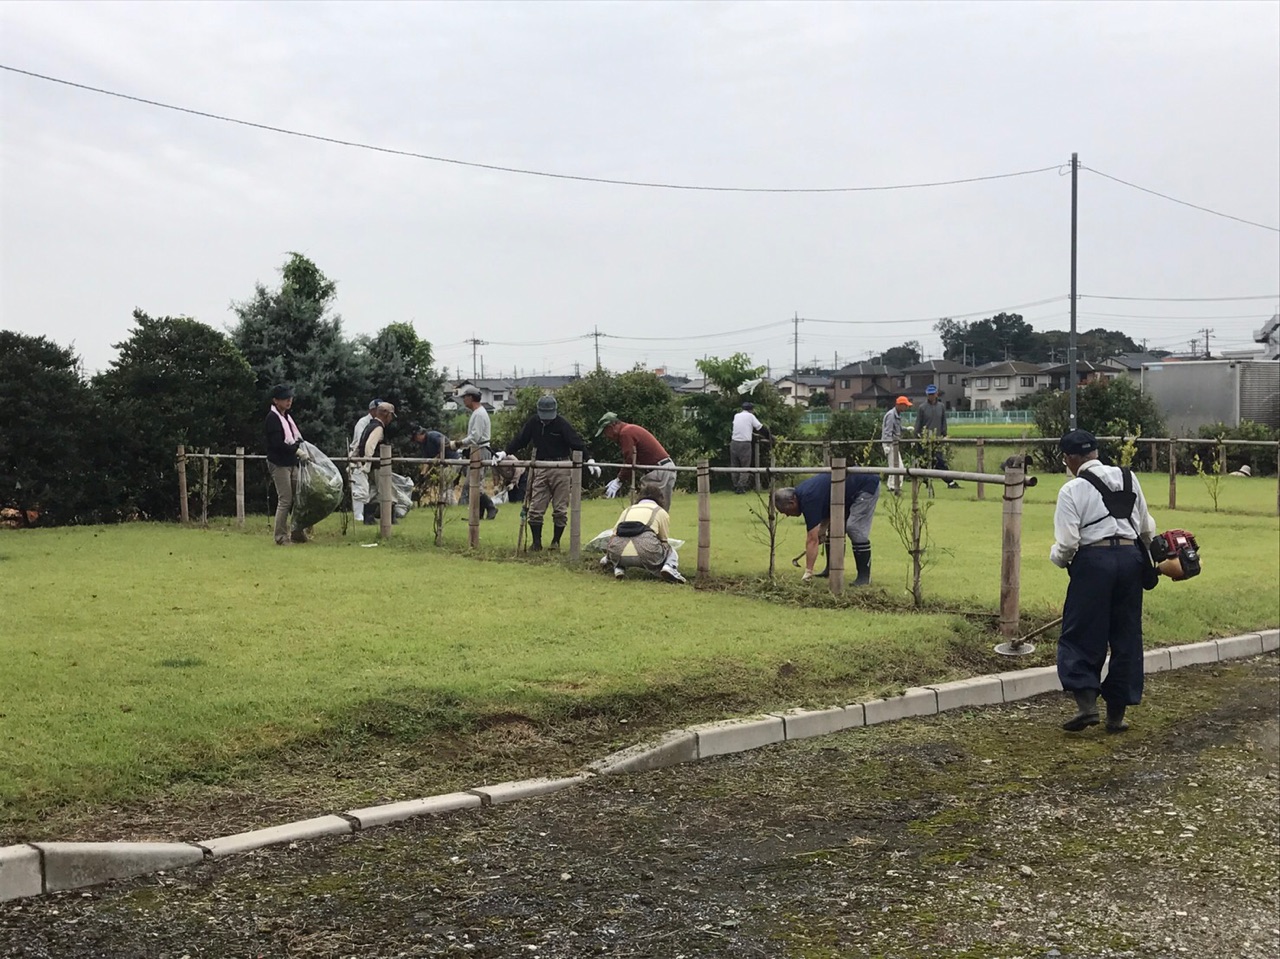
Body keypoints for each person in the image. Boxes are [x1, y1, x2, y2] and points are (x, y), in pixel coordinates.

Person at [1051, 429, 1156, 734]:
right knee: (1126, 635)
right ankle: (1116, 715)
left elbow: (1069, 543)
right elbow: (1145, 526)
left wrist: (1057, 559)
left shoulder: (1071, 490)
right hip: (1130, 560)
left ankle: (1086, 707)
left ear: (1069, 459)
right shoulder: (1128, 477)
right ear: (1095, 452)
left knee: (1082, 632)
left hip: (1093, 562)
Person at [498, 395, 600, 550]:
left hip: (562, 467)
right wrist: (505, 452)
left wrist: (589, 459)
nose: (546, 420)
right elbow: (521, 439)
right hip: (540, 467)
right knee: (535, 508)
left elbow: (576, 443)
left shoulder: (562, 424)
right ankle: (536, 543)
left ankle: (555, 542)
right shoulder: (533, 422)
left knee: (560, 509)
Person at [774, 469, 880, 586]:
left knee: (854, 528)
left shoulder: (808, 498)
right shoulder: (803, 494)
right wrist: (822, 531)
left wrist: (808, 572)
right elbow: (825, 513)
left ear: (792, 502)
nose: (788, 515)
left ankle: (864, 578)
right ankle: (831, 569)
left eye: (785, 511)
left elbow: (812, 539)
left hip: (865, 486)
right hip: (846, 491)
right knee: (835, 529)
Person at [602, 483, 686, 583]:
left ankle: (617, 567)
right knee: (670, 550)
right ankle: (669, 567)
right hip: (646, 551)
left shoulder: (628, 510)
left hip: (617, 552)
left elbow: (614, 535)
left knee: (618, 543)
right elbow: (663, 540)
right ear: (660, 498)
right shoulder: (660, 512)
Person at [595, 412, 676, 508]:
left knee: (648, 507)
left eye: (605, 431)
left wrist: (619, 480)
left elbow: (629, 459)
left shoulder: (625, 433)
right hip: (665, 468)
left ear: (612, 426)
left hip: (659, 471)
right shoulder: (630, 429)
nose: (606, 436)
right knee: (659, 508)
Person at [264, 384, 308, 545]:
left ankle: (297, 531)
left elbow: (294, 438)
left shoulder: (287, 419)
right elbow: (277, 444)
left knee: (299, 496)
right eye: (285, 398)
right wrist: (295, 449)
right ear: (276, 400)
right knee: (285, 499)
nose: (289, 401)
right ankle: (280, 536)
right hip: (279, 462)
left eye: (290, 398)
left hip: (291, 461)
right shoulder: (273, 419)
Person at [454, 385, 498, 520]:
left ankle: (491, 507)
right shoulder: (478, 413)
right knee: (475, 483)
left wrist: (459, 443)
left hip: (480, 449)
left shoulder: (479, 414)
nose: (463, 400)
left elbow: (475, 437)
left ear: (471, 398)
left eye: (464, 397)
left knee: (473, 484)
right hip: (477, 449)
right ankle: (477, 514)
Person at [350, 402, 396, 524]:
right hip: (376, 466)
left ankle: (368, 518)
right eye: (391, 415)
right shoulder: (378, 428)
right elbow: (370, 446)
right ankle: (389, 519)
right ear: (386, 415)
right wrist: (368, 462)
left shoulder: (369, 425)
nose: (391, 419)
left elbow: (360, 444)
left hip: (370, 466)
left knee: (373, 491)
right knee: (385, 491)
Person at [915, 385, 960, 489]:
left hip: (937, 438)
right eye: (929, 394)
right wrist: (917, 438)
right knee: (924, 462)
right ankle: (927, 481)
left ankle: (950, 481)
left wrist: (944, 435)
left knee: (939, 460)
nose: (931, 396)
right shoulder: (922, 408)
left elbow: (943, 422)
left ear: (936, 394)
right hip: (925, 439)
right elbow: (918, 424)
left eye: (933, 394)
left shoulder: (941, 406)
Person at [347, 399, 383, 522]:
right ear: (372, 410)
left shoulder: (376, 424)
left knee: (370, 488)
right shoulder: (363, 423)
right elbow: (361, 443)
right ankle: (358, 515)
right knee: (359, 487)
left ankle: (367, 514)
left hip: (368, 459)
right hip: (358, 457)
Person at [729, 402, 770, 494]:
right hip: (744, 443)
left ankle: (735, 485)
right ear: (751, 410)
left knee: (734, 466)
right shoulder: (750, 416)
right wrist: (769, 437)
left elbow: (742, 429)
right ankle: (741, 486)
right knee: (745, 466)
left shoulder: (737, 416)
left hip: (734, 442)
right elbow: (760, 428)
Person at [881, 395, 912, 495]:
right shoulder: (891, 415)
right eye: (905, 405)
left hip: (893, 443)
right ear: (899, 405)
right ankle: (895, 486)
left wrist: (906, 429)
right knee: (899, 466)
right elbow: (888, 431)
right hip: (890, 443)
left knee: (893, 465)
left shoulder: (897, 415)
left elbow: (897, 428)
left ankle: (891, 486)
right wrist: (886, 445)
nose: (906, 408)